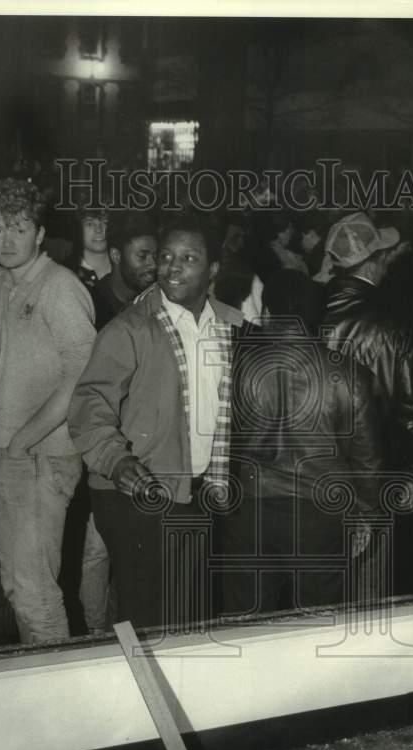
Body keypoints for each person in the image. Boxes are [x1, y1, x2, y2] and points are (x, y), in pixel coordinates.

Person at [68, 213, 244, 633]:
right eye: (166, 256)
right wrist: (116, 460)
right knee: (146, 618)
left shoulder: (233, 326)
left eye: (188, 258)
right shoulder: (132, 327)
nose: (172, 266)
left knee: (192, 614)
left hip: (198, 491)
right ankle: (133, 695)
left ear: (213, 269)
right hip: (137, 493)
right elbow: (89, 403)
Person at [0, 178, 97, 645]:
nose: (7, 241)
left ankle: (63, 705)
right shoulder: (5, 287)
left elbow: (83, 377)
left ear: (41, 234)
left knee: (36, 595)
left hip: (42, 456)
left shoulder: (59, 287)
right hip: (14, 451)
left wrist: (25, 439)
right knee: (19, 588)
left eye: (19, 229)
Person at [221, 270, 381, 614]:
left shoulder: (231, 365)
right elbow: (367, 459)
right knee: (317, 626)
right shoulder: (349, 373)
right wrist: (365, 513)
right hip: (319, 516)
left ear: (266, 314)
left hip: (249, 511)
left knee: (248, 622)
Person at [321, 211, 413, 595]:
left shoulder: (306, 310)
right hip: (374, 477)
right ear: (378, 259)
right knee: (368, 591)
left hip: (313, 475)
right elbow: (410, 413)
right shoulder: (396, 322)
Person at [67, 204, 111, 290]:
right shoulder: (67, 273)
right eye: (89, 223)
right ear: (78, 228)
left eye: (104, 222)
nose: (98, 230)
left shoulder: (126, 267)